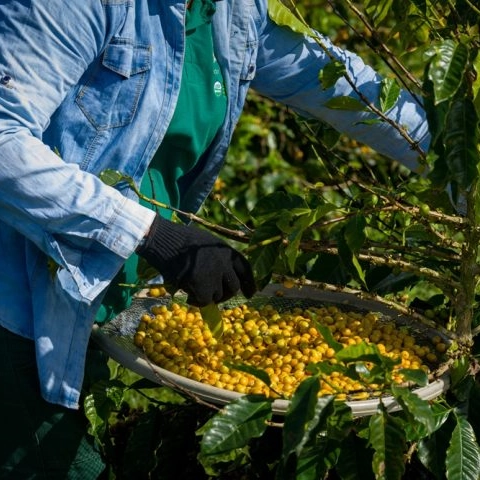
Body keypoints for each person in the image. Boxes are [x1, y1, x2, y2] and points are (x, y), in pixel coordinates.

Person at [0, 0, 430, 477]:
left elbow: (336, 81)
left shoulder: (233, 11)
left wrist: (454, 157)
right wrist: (151, 233)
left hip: (86, 301)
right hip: (16, 303)